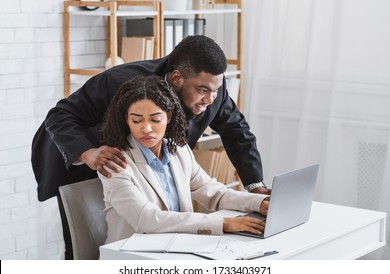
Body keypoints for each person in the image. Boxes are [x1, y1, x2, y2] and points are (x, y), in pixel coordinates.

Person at [31, 35, 269, 259]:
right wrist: (88, 153)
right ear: (177, 78)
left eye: (156, 120)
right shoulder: (121, 84)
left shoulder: (208, 92)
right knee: (86, 245)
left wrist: (255, 191)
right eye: (203, 90)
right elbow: (59, 116)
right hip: (93, 158)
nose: (210, 99)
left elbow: (237, 132)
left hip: (151, 166)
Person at [99, 75, 269, 243]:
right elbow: (147, 219)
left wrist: (259, 202)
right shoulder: (114, 162)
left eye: (155, 119)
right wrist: (222, 223)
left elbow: (215, 194)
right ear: (126, 120)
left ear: (169, 117)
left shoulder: (180, 150)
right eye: (136, 120)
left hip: (178, 246)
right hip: (131, 256)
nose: (147, 129)